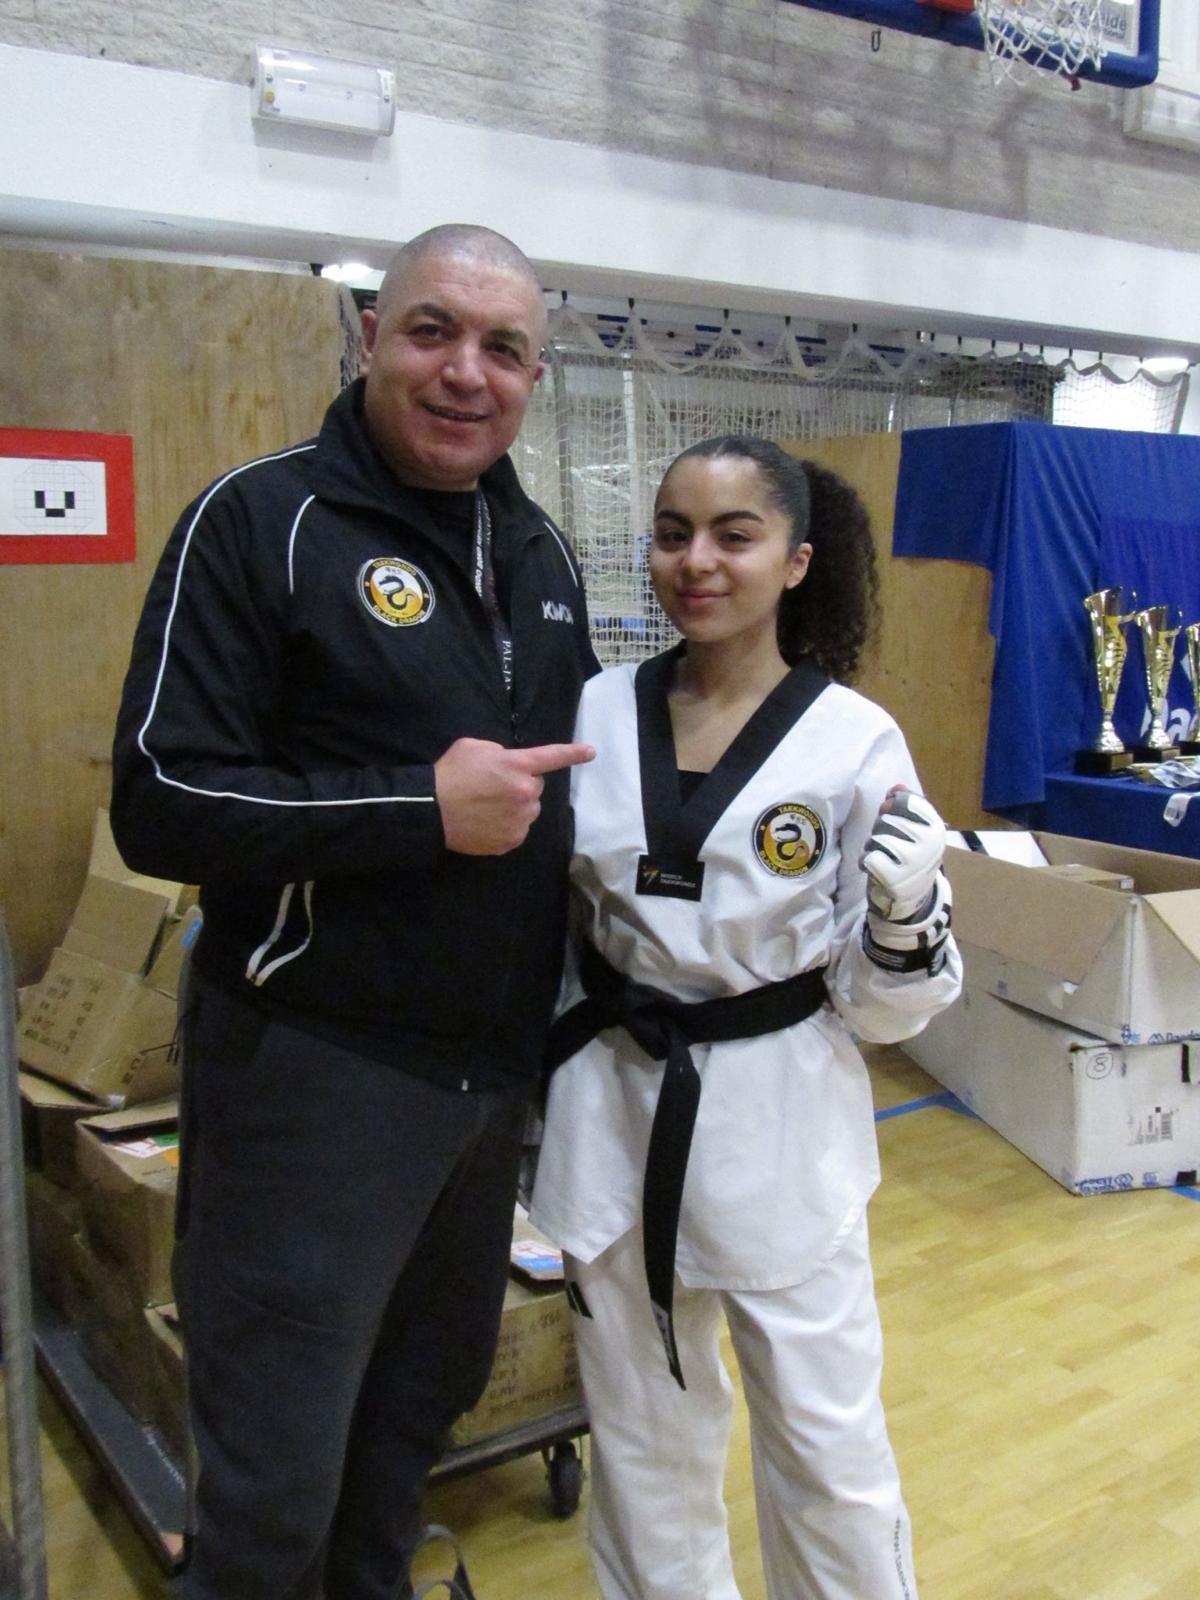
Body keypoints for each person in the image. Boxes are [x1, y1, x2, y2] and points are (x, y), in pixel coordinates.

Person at [110, 224, 598, 1600]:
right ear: (369, 337)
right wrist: (418, 809)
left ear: (536, 376)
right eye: (433, 330)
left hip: (484, 1085)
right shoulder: (259, 522)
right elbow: (160, 798)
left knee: (408, 1432)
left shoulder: (542, 554)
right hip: (314, 1079)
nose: (465, 371)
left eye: (503, 347)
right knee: (274, 1488)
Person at [529, 436, 962, 1600]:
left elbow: (882, 1009)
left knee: (827, 1449)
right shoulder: (595, 710)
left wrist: (904, 917)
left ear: (796, 559)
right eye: (673, 534)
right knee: (641, 1438)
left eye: (735, 535)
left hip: (779, 1116)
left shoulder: (852, 739)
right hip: (615, 1104)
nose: (697, 562)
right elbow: (561, 924)